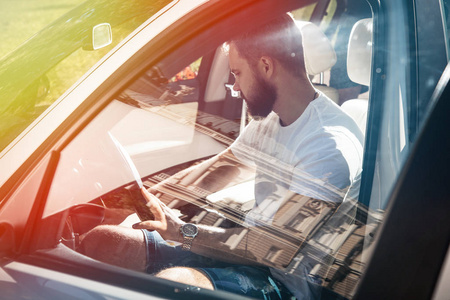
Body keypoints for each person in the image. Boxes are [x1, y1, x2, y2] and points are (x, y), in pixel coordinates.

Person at [80, 13, 363, 299]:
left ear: (265, 66)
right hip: (243, 249)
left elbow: (274, 248)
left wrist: (182, 232)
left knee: (176, 285)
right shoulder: (271, 120)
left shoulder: (328, 147)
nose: (236, 87)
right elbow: (217, 169)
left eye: (237, 73)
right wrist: (138, 201)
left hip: (286, 282)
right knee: (105, 243)